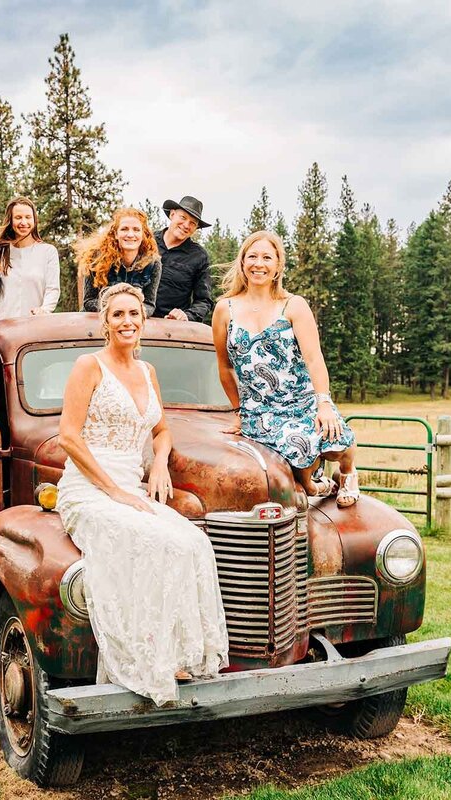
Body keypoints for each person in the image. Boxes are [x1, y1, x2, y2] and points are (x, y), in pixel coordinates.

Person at [56, 283, 228, 705]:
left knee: (192, 541)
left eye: (134, 313)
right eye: (118, 315)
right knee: (155, 542)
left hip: (132, 486)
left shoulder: (148, 372)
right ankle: (147, 658)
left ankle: (175, 652)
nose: (127, 321)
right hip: (88, 488)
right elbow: (68, 437)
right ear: (106, 322)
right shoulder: (89, 366)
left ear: (143, 320)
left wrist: (159, 462)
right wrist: (112, 490)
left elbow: (162, 430)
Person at [211, 231, 360, 506]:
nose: (259, 264)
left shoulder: (294, 305)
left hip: (302, 400)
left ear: (278, 265)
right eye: (252, 256)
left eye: (267, 257)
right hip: (260, 409)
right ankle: (314, 486)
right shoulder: (224, 309)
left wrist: (323, 403)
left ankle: (348, 473)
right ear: (242, 262)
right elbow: (225, 367)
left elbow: (314, 359)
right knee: (297, 448)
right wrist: (237, 411)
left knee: (336, 442)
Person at [76, 208, 161, 316]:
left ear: (143, 235)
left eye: (136, 230)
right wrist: (115, 308)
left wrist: (131, 312)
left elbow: (149, 305)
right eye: (124, 229)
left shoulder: (153, 264)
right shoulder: (96, 259)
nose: (130, 234)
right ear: (115, 234)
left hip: (131, 321)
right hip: (97, 320)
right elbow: (88, 301)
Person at [0, 196, 60, 319]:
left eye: (28, 217)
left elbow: (53, 289)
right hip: (5, 325)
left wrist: (44, 309)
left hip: (35, 324)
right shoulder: (0, 252)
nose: (23, 222)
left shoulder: (48, 251)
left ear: (34, 220)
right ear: (10, 221)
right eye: (18, 217)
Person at [153, 195, 214, 322]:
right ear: (172, 214)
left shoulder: (199, 256)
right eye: (183, 217)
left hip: (172, 329)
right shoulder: (147, 242)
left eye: (192, 223)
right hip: (134, 321)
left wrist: (187, 315)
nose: (186, 225)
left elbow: (204, 301)